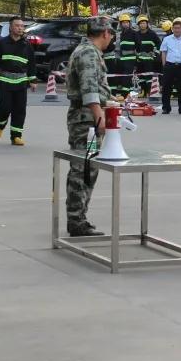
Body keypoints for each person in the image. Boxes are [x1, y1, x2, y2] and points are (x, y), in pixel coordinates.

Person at [64, 15, 113, 238]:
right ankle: (76, 220)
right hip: (86, 120)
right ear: (105, 34)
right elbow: (89, 87)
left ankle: (79, 217)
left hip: (86, 117)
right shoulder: (89, 53)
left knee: (88, 167)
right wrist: (99, 114)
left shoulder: (87, 51)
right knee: (82, 168)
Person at [0, 16, 37, 146]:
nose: (20, 28)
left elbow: (31, 64)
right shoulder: (2, 43)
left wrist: (32, 80)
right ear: (11, 27)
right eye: (17, 26)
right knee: (4, 107)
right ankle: (0, 126)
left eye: (22, 26)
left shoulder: (27, 45)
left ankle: (16, 136)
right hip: (5, 81)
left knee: (20, 109)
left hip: (21, 82)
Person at [160, 18, 181, 115]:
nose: (176, 30)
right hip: (169, 65)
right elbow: (163, 52)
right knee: (166, 88)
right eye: (174, 28)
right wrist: (164, 65)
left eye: (178, 28)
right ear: (172, 29)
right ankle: (166, 108)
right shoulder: (167, 39)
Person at [134, 15, 161, 96]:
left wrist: (155, 54)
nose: (142, 25)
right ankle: (143, 91)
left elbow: (159, 45)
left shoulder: (152, 34)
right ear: (138, 25)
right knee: (141, 76)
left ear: (147, 24)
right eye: (141, 23)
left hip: (149, 60)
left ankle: (149, 91)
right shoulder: (136, 34)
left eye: (144, 23)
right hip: (139, 60)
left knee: (149, 77)